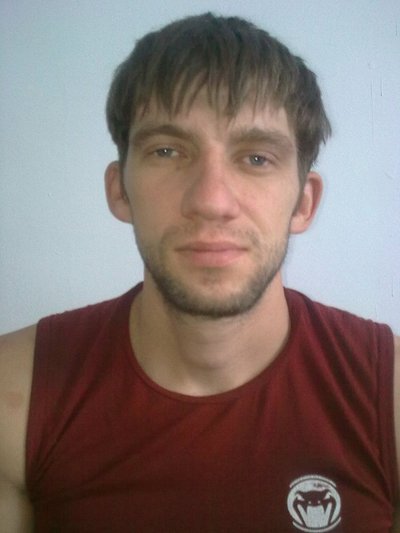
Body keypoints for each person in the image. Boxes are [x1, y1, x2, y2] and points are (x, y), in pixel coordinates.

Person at [0, 12, 399, 532]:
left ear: (304, 203)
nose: (211, 201)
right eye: (167, 151)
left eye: (256, 158)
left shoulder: (388, 396)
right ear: (120, 191)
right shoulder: (14, 398)